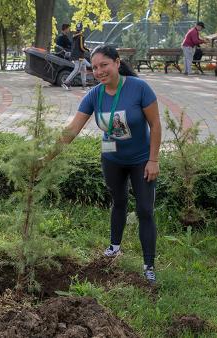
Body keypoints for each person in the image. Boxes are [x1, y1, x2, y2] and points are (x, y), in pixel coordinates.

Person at [56, 45, 161, 284]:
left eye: (104, 65)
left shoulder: (139, 88)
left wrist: (153, 160)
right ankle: (114, 247)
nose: (99, 71)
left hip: (141, 160)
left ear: (117, 62)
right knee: (119, 202)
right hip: (112, 159)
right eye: (95, 67)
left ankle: (149, 264)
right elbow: (72, 129)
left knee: (145, 209)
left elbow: (155, 125)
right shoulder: (94, 94)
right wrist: (46, 157)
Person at [62, 22, 90, 91]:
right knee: (77, 70)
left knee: (83, 69)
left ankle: (84, 85)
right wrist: (87, 50)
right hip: (79, 56)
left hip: (75, 54)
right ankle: (66, 83)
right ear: (81, 28)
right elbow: (81, 47)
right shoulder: (81, 36)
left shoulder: (74, 36)